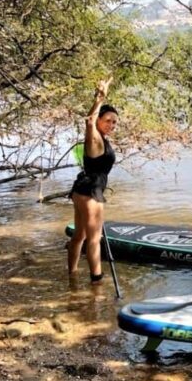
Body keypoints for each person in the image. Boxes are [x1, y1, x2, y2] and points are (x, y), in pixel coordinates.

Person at [66, 77, 118, 282]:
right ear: (99, 120)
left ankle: (72, 274)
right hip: (91, 194)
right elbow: (89, 121)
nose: (111, 125)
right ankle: (96, 280)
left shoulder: (100, 139)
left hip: (80, 191)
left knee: (79, 236)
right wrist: (99, 99)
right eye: (108, 120)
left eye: (114, 122)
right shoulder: (94, 138)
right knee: (95, 239)